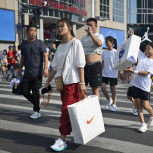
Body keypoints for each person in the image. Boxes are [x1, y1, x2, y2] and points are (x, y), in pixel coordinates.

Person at [45, 18, 86, 152]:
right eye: (58, 27)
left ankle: (62, 139)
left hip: (73, 83)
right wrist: (48, 81)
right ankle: (77, 133)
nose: (60, 28)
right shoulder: (61, 46)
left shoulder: (76, 43)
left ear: (69, 27)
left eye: (62, 26)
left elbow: (80, 65)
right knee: (69, 111)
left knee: (65, 110)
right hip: (63, 83)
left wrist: (82, 83)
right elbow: (55, 67)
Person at [125, 42, 153, 133]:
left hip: (144, 86)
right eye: (145, 49)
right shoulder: (142, 56)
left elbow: (146, 73)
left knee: (145, 106)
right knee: (138, 105)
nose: (146, 50)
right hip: (135, 84)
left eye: (148, 48)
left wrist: (133, 71)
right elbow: (135, 45)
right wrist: (132, 35)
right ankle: (143, 124)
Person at [18, 24, 48, 119]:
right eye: (31, 30)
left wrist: (46, 68)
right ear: (27, 32)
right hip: (27, 73)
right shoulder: (24, 44)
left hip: (37, 73)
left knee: (35, 92)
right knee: (23, 91)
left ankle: (36, 111)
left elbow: (45, 55)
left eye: (35, 31)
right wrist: (20, 68)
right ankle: (34, 101)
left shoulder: (40, 43)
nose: (33, 32)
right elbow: (23, 57)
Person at [81, 18, 104, 100]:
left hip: (95, 66)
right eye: (87, 25)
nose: (89, 26)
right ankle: (85, 106)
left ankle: (96, 109)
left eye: (91, 25)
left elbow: (99, 43)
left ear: (96, 27)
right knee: (82, 88)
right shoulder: (83, 38)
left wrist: (91, 33)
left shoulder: (99, 36)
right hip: (84, 66)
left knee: (95, 88)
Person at [101, 36, 118, 112]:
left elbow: (118, 63)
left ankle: (114, 104)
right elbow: (103, 62)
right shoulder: (104, 52)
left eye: (107, 41)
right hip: (105, 73)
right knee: (102, 87)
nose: (106, 43)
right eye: (105, 41)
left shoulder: (115, 52)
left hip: (113, 74)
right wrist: (100, 72)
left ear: (112, 42)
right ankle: (109, 99)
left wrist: (120, 72)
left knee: (112, 90)